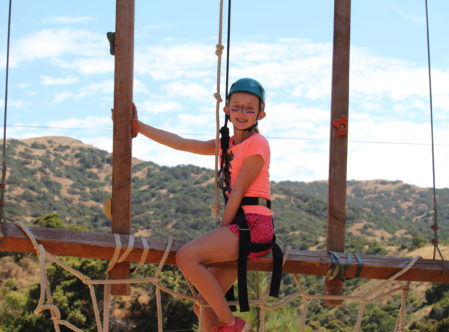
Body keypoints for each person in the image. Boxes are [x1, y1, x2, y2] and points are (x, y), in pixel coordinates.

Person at [133, 78, 276, 332]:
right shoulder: (227, 145)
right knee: (206, 303)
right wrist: (139, 126)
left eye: (249, 108)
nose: (242, 113)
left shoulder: (257, 144)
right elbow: (182, 143)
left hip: (254, 226)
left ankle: (231, 325)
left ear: (260, 114)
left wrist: (221, 230)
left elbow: (239, 191)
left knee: (186, 256)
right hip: (242, 227)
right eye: (237, 107)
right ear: (227, 110)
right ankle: (226, 323)